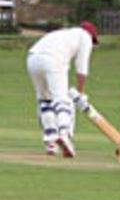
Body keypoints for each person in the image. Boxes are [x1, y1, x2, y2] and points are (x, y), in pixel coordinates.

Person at [26, 21, 98, 158]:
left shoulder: (64, 33)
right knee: (63, 100)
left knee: (45, 100)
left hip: (32, 58)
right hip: (53, 60)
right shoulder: (86, 37)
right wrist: (81, 94)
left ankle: (51, 142)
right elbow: (82, 68)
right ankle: (64, 135)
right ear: (92, 36)